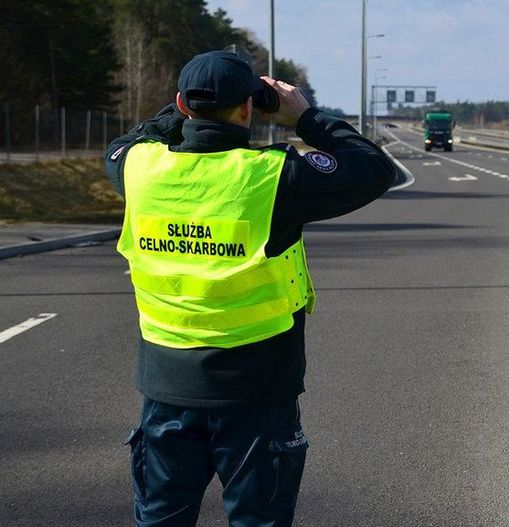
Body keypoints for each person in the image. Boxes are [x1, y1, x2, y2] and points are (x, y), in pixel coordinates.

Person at [104, 50, 395, 526]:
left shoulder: (137, 168)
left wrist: (178, 112)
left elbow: (129, 141)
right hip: (258, 395)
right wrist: (306, 116)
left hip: (166, 389)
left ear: (181, 103)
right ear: (248, 108)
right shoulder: (274, 175)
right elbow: (373, 169)